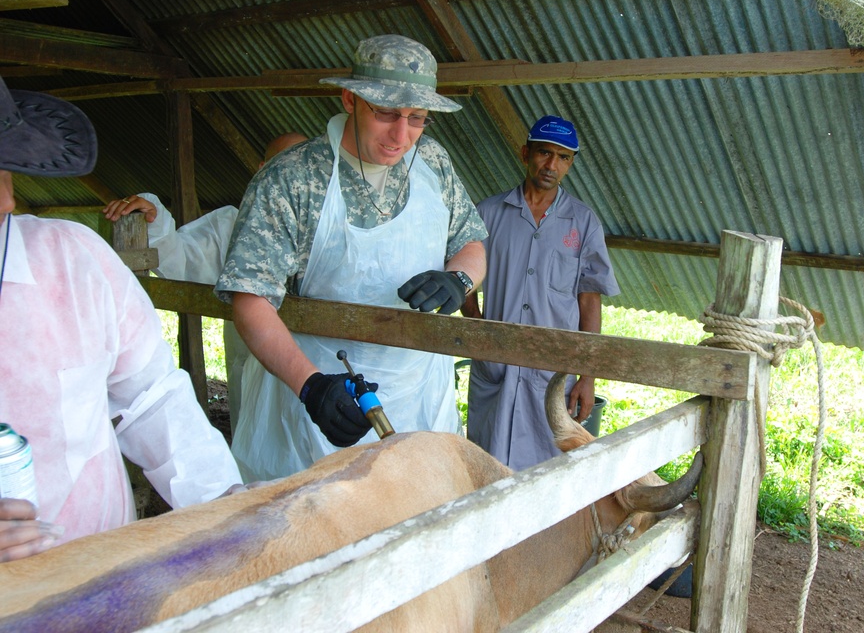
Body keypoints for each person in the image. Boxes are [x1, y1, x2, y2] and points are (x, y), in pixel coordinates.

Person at [215, 34, 487, 482]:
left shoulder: (433, 162)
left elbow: (471, 242)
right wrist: (311, 386)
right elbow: (250, 297)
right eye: (386, 114)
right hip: (320, 404)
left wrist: (460, 278)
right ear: (350, 98)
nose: (401, 136)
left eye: (417, 118)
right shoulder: (295, 178)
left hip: (419, 394)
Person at [0, 75, 243, 563]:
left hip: (97, 568)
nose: (6, 200)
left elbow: (151, 398)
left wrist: (224, 506)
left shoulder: (74, 259)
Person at [100, 132, 309, 430]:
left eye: (303, 167)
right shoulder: (231, 227)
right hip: (252, 386)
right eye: (282, 167)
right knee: (260, 468)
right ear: (263, 171)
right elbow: (181, 262)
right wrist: (154, 219)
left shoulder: (339, 231)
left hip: (319, 384)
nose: (293, 178)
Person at [461, 115, 620, 471]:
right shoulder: (488, 213)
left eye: (564, 158)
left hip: (551, 374)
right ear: (525, 153)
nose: (552, 165)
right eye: (544, 153)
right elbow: (462, 276)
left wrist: (588, 376)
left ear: (571, 164)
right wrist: (478, 327)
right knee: (486, 466)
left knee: (546, 472)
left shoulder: (583, 221)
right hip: (496, 368)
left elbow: (589, 299)